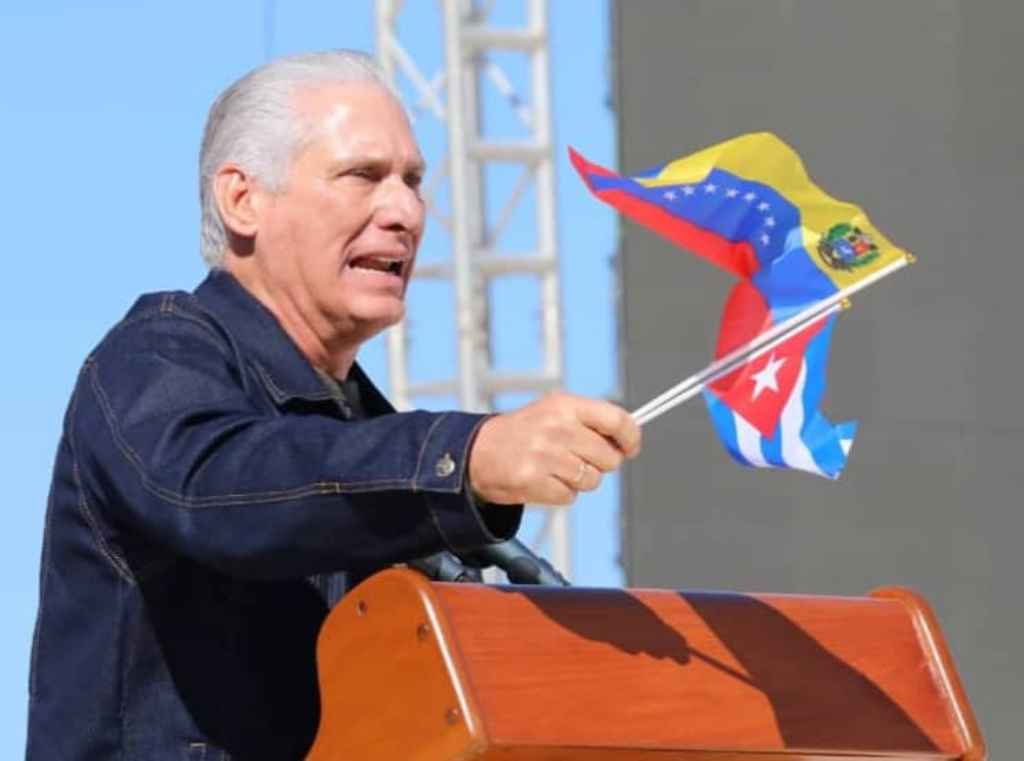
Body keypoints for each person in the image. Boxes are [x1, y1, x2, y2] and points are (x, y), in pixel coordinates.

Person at [25, 50, 641, 760]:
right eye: (363, 175)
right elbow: (220, 488)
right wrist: (465, 458)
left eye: (414, 181)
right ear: (243, 199)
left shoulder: (366, 430)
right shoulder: (153, 356)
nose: (406, 212)